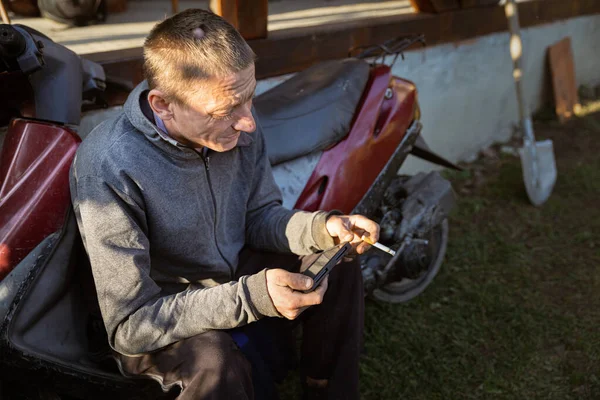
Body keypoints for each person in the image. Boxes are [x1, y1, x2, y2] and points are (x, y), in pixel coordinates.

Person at [70, 8, 379, 400]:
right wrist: (251, 296)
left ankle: (325, 388)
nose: (248, 122)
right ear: (164, 105)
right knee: (214, 360)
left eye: (248, 99)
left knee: (336, 257)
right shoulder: (109, 166)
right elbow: (130, 325)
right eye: (225, 111)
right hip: (162, 308)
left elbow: (258, 215)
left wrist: (321, 228)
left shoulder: (236, 123)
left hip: (231, 272)